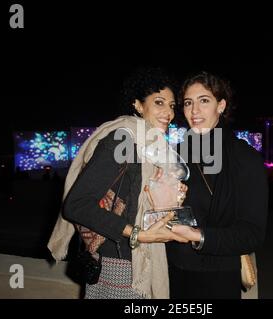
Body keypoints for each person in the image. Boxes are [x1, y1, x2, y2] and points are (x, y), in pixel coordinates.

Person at [47, 67, 188, 299]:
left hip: (142, 260)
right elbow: (76, 205)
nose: (169, 113)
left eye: (172, 105)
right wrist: (137, 235)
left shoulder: (154, 149)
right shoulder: (121, 140)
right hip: (118, 264)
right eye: (159, 102)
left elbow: (140, 204)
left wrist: (168, 194)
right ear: (138, 105)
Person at [166, 71, 268, 299]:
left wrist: (198, 236)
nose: (194, 111)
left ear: (221, 105)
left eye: (204, 101)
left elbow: (253, 233)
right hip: (173, 271)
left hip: (219, 276)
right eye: (188, 103)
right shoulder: (175, 155)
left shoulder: (244, 158)